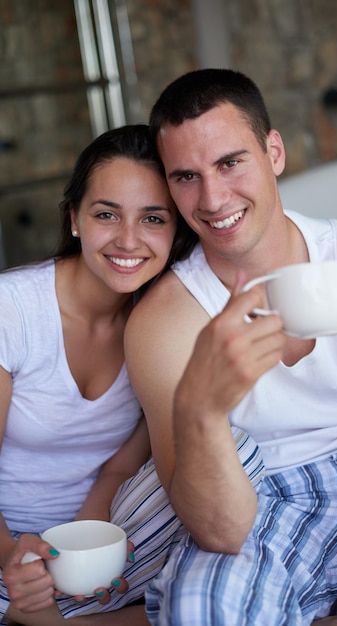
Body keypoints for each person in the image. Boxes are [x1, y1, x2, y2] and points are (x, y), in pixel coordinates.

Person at [124, 69, 337, 625]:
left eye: (230, 162)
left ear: (274, 152)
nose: (212, 198)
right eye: (186, 176)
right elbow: (220, 529)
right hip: (263, 508)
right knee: (199, 612)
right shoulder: (165, 322)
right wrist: (202, 408)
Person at [0, 124, 197, 626]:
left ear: (176, 231)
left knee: (225, 457)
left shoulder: (162, 324)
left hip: (108, 523)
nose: (127, 240)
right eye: (106, 214)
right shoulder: (13, 309)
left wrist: (90, 544)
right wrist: (12, 556)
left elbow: (121, 465)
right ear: (74, 218)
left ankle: (64, 613)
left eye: (153, 218)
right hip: (6, 539)